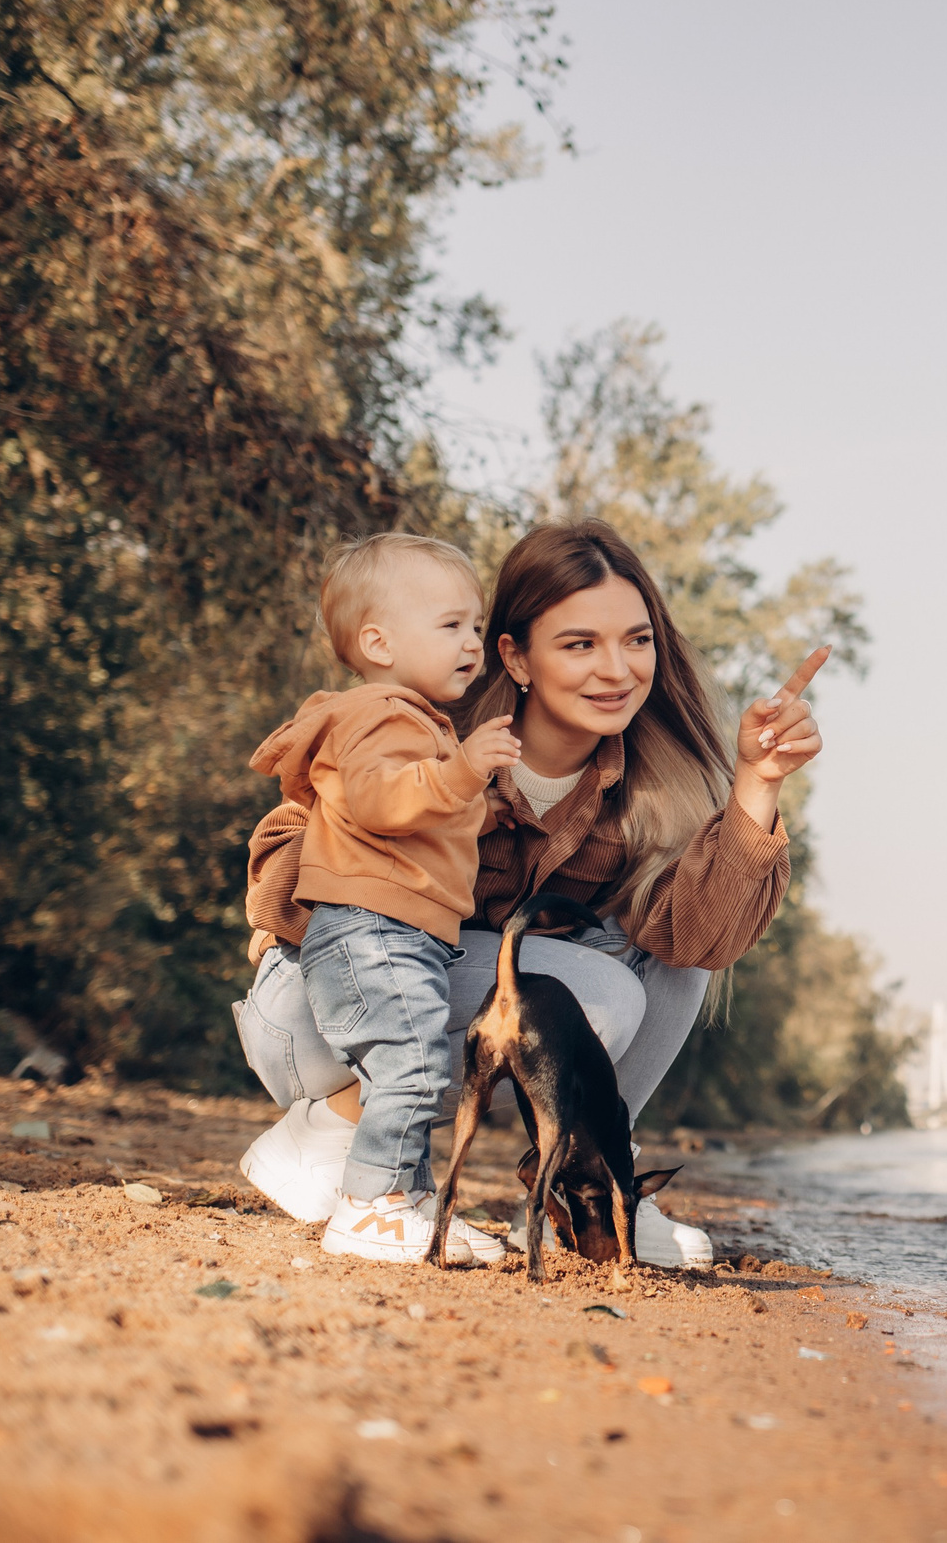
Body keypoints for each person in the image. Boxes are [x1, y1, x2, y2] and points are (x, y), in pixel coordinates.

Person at [235, 518, 826, 1268]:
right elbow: (281, 870)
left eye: (637, 640)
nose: (616, 669)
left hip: (439, 1007)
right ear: (515, 655)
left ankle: (588, 1174)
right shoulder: (427, 725)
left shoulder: (649, 787)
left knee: (674, 956)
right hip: (317, 1012)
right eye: (580, 644)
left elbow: (704, 938)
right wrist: (434, 817)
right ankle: (331, 1129)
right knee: (596, 994)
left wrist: (758, 783)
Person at [237, 532, 522, 1265]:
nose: (473, 643)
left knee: (411, 1066)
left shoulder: (414, 721)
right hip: (372, 927)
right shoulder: (377, 712)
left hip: (399, 929)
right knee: (414, 1067)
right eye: (451, 625)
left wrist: (482, 808)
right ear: (378, 642)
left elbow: (417, 820)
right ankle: (370, 1206)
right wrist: (464, 772)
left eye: (477, 626)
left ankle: (407, 1200)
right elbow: (377, 800)